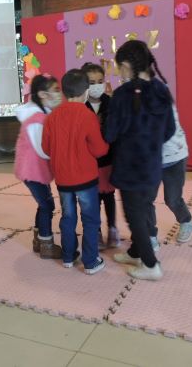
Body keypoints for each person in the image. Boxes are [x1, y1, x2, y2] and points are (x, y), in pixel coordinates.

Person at [105, 40, 175, 281]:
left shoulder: (122, 95)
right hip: (152, 167)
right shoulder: (161, 89)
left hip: (129, 169)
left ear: (126, 66)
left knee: (134, 216)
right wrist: (150, 144)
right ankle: (135, 252)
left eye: (119, 67)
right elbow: (169, 130)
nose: (119, 72)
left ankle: (150, 265)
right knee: (143, 209)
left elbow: (110, 134)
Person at [42, 70, 109, 275]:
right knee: (90, 219)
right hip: (86, 179)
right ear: (86, 91)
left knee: (67, 217)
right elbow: (99, 150)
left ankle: (68, 256)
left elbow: (46, 148)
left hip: (63, 179)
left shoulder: (52, 117)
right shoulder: (88, 116)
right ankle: (90, 261)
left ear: (63, 91)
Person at [14, 75, 63, 259]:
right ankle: (46, 244)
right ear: (42, 94)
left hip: (37, 169)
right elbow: (43, 149)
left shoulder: (43, 115)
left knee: (44, 203)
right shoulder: (37, 119)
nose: (59, 94)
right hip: (32, 170)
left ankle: (38, 240)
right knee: (47, 205)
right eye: (55, 90)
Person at [82, 62, 120, 249]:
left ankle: (112, 228)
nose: (96, 86)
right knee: (93, 199)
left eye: (99, 81)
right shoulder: (81, 106)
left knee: (109, 197)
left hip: (108, 161)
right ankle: (96, 231)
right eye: (91, 82)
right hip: (89, 162)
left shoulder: (110, 103)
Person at [159, 104, 192, 244]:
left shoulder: (163, 103)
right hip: (151, 159)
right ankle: (149, 235)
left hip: (174, 157)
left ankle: (186, 221)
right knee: (143, 200)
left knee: (172, 199)